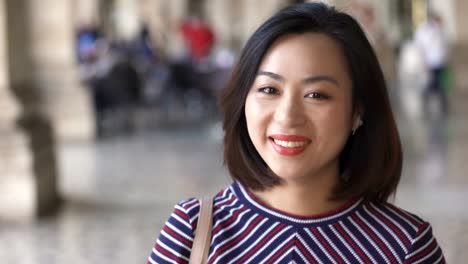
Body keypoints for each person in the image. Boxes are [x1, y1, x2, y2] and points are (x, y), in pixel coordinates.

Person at [147, 3, 445, 263]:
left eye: (316, 95)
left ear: (358, 110)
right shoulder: (195, 230)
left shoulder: (405, 247)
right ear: (243, 100)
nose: (287, 116)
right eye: (269, 90)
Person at [415, 12, 450, 116]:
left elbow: (444, 47)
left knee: (441, 82)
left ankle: (443, 104)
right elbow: (421, 47)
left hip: (441, 61)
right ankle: (426, 98)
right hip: (431, 62)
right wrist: (423, 61)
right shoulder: (425, 31)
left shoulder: (441, 32)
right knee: (433, 82)